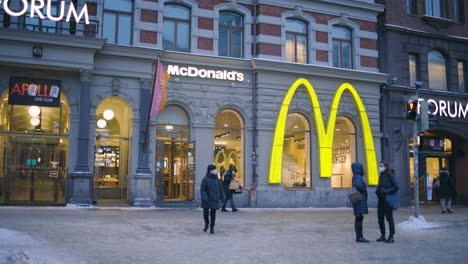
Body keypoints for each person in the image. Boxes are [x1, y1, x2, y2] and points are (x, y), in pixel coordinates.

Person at [375, 161, 399, 243]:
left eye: (381, 166)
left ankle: (391, 236)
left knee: (389, 218)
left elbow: (396, 186)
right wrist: (377, 191)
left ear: (385, 166)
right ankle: (383, 235)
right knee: (380, 218)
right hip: (381, 200)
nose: (379, 167)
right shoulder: (381, 176)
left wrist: (386, 191)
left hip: (387, 200)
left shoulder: (390, 175)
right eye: (379, 166)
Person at [200, 165, 226, 234]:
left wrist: (223, 198)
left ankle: (212, 227)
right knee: (206, 213)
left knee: (213, 214)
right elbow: (203, 190)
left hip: (214, 199)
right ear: (210, 171)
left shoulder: (217, 179)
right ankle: (206, 224)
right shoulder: (205, 179)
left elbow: (221, 189)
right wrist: (204, 197)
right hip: (207, 200)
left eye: (215, 169)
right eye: (214, 169)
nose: (215, 171)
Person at [351, 162, 369, 243]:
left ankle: (359, 236)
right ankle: (359, 237)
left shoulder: (355, 176)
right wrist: (364, 190)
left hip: (358, 200)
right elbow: (359, 186)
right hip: (360, 199)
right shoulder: (358, 177)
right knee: (359, 219)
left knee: (358, 218)